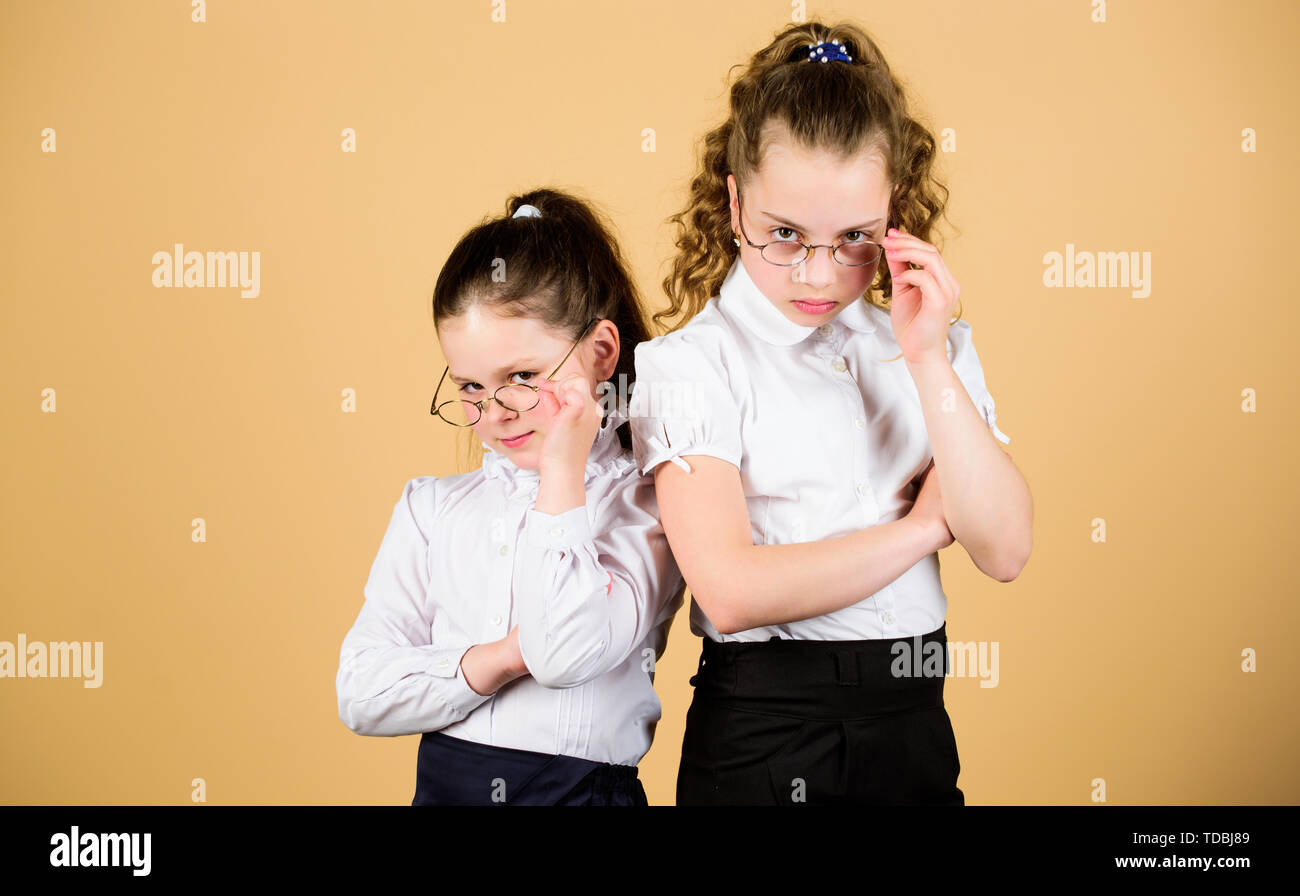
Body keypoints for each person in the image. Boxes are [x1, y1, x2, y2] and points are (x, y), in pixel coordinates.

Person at [627, 20, 1033, 805]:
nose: (819, 274)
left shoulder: (927, 347)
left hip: (913, 712)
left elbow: (1006, 548)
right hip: (765, 726)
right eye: (785, 234)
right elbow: (732, 590)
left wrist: (925, 357)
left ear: (894, 215)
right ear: (735, 201)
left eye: (855, 237)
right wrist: (921, 529)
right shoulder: (689, 365)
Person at [337, 188, 685, 805]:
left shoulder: (651, 501)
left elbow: (562, 654)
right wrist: (498, 660)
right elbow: (361, 692)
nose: (495, 411)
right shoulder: (432, 510)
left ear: (601, 353)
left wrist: (561, 469)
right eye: (471, 386)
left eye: (522, 377)